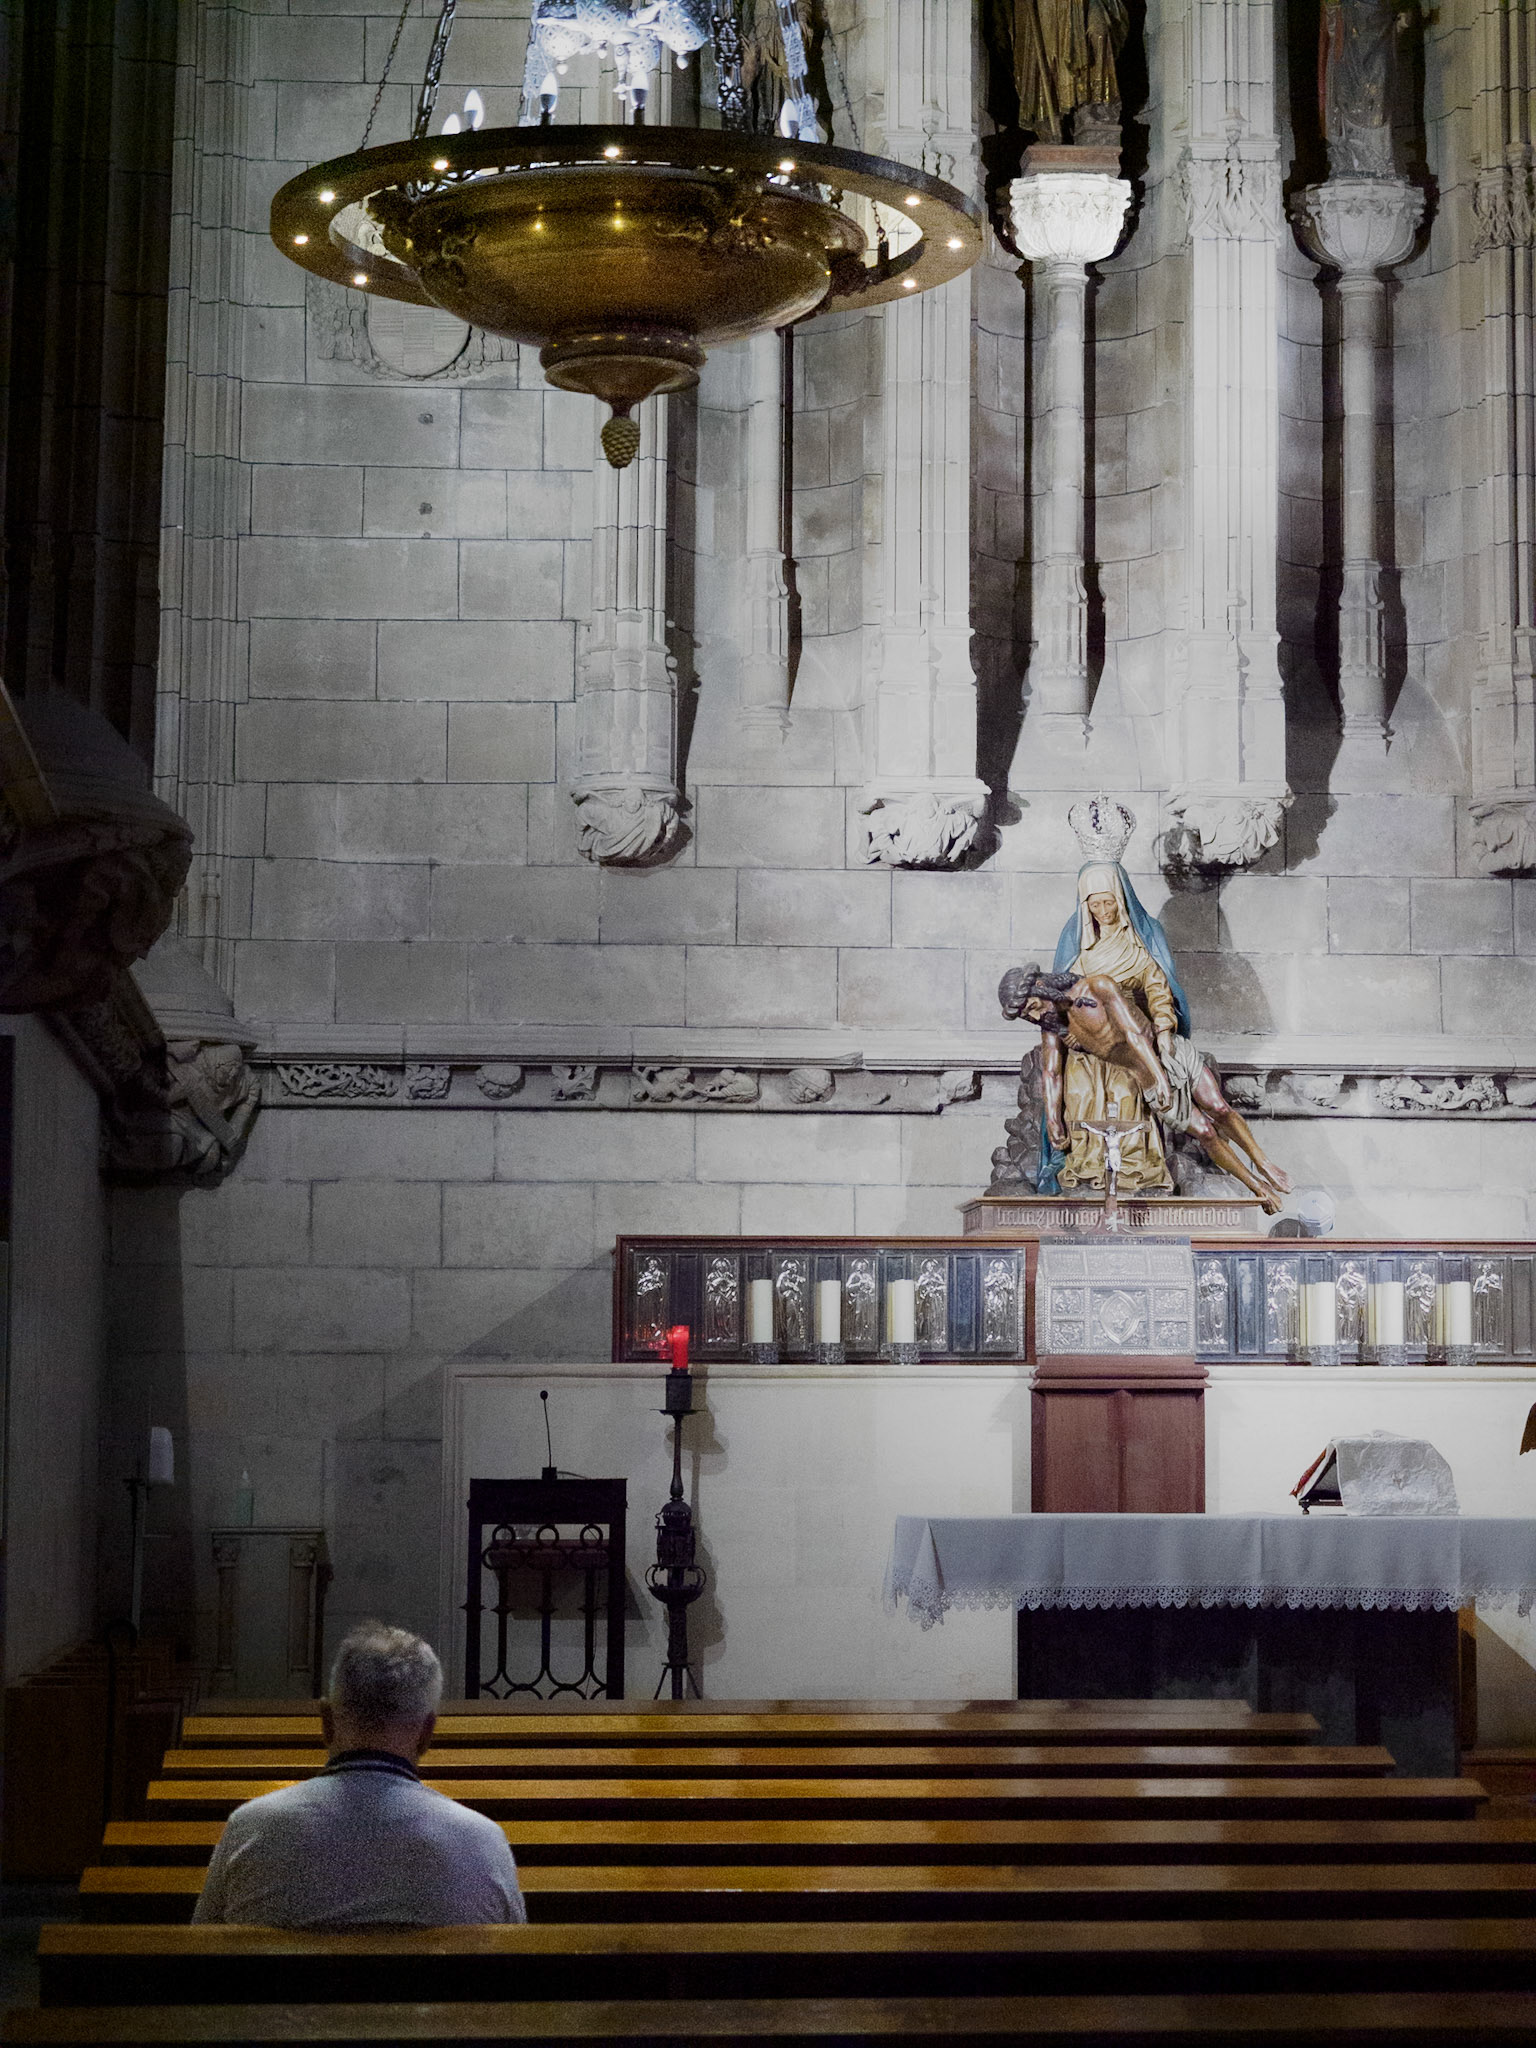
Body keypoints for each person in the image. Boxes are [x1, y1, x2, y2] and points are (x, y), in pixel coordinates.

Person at [194, 1622, 525, 1929]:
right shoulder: (483, 1841)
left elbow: (197, 1951)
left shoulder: (250, 1828)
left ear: (326, 1722)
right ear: (427, 1733)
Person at [999, 959, 1293, 1215]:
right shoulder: (1053, 1026)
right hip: (1145, 1077)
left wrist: (1161, 1075)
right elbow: (1051, 1072)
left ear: (1042, 986)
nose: (1035, 1016)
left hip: (1167, 1055)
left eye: (1034, 1007)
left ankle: (1263, 1162)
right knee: (1205, 1132)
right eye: (1027, 1016)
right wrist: (1053, 1119)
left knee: (1219, 1108)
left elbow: (1133, 1033)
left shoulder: (1097, 987)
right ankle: (1257, 1187)